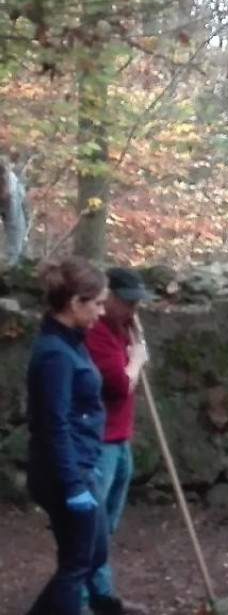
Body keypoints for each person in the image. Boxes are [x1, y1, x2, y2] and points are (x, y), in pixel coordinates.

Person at [25, 256, 109, 615]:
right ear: (76, 303)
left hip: (81, 464)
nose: (102, 312)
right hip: (64, 471)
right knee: (77, 562)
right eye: (99, 303)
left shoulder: (72, 342)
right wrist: (73, 484)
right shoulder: (54, 355)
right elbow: (52, 424)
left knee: (90, 555)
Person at [82, 268, 151, 615]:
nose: (133, 308)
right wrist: (136, 360)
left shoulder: (123, 327)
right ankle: (81, 601)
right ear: (108, 298)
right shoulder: (96, 334)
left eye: (136, 302)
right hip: (101, 442)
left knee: (105, 526)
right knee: (92, 528)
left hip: (119, 439)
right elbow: (119, 385)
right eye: (127, 302)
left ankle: (101, 597)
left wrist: (135, 347)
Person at [0, 161, 28, 264]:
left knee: (17, 237)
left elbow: (14, 230)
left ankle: (17, 266)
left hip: (10, 200)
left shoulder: (12, 195)